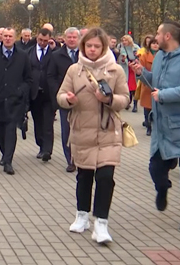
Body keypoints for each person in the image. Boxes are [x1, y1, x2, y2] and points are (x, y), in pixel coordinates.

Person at [130, 20, 180, 231]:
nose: (155, 36)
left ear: (168, 36)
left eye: (158, 33)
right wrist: (140, 73)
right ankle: (162, 188)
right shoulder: (161, 56)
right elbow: (156, 82)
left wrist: (163, 96)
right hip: (162, 123)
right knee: (155, 167)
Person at [57, 27, 130, 245]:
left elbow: (125, 98)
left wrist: (108, 100)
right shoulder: (74, 70)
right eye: (88, 45)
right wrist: (68, 99)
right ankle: (82, 215)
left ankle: (102, 222)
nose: (92, 49)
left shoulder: (115, 70)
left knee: (106, 177)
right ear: (83, 46)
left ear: (104, 47)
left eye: (96, 46)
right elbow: (60, 95)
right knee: (84, 176)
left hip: (108, 131)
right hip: (82, 130)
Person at [0, 27, 32, 175]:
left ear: (15, 38)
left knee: (11, 130)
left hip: (15, 101)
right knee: (1, 131)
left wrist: (20, 91)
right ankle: (4, 153)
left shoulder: (22, 56)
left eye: (10, 36)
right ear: (1, 38)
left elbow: (28, 79)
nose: (8, 38)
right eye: (5, 36)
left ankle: (8, 161)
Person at [47, 26, 80, 172]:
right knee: (67, 130)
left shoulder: (85, 55)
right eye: (69, 37)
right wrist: (59, 93)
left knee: (81, 130)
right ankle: (70, 160)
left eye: (74, 37)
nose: (72, 40)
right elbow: (51, 76)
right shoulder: (56, 55)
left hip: (83, 99)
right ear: (65, 39)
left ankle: (81, 158)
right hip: (65, 98)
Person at [27, 28, 55, 162]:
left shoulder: (54, 53)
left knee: (48, 123)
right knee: (38, 122)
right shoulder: (30, 52)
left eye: (46, 41)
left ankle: (47, 150)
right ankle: (41, 145)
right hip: (34, 94)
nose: (43, 43)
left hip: (49, 94)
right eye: (40, 40)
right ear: (36, 38)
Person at [136, 35, 158, 136]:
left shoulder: (162, 55)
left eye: (157, 43)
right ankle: (148, 126)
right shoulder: (144, 55)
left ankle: (154, 126)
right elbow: (141, 68)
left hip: (157, 84)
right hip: (147, 84)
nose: (155, 45)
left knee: (155, 107)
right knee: (147, 107)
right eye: (153, 43)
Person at [117, 35, 140, 112]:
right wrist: (123, 59)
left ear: (129, 40)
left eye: (125, 40)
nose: (124, 42)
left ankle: (135, 104)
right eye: (123, 40)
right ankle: (128, 102)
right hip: (127, 69)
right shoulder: (121, 48)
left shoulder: (136, 47)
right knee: (128, 86)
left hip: (134, 68)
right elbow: (120, 60)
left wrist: (137, 57)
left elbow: (140, 56)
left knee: (135, 87)